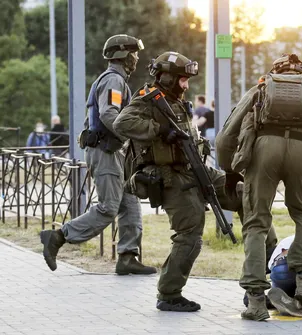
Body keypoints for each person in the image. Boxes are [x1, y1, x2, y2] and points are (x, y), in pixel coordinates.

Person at [112, 51, 278, 313]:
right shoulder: (147, 100)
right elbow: (122, 122)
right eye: (182, 80)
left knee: (247, 194)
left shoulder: (174, 100)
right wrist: (159, 130)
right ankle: (169, 294)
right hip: (171, 178)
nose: (186, 85)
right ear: (166, 77)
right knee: (190, 236)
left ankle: (258, 281)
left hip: (198, 169)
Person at [216, 53, 302, 321]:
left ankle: (256, 301)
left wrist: (229, 169)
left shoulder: (261, 88)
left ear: (276, 72)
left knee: (256, 222)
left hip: (263, 151)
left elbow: (226, 135)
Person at [39, 34, 156, 276]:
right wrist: (136, 134)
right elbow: (109, 114)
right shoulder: (113, 80)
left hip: (115, 151)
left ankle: (127, 257)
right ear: (122, 54)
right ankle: (58, 236)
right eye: (133, 53)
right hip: (105, 151)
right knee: (108, 208)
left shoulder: (117, 80)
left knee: (130, 203)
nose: (136, 58)